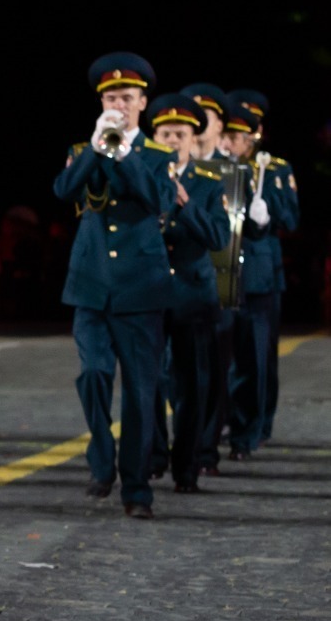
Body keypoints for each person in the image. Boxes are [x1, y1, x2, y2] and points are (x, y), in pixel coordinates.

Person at [52, 52, 174, 519]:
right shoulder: (82, 149)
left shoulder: (158, 155)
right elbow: (64, 190)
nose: (117, 106)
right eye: (109, 98)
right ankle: (102, 458)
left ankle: (136, 489)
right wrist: (95, 149)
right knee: (94, 374)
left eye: (125, 98)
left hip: (140, 288)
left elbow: (159, 200)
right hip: (91, 285)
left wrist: (124, 155)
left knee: (141, 393)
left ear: (142, 103)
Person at [145, 93, 228, 492]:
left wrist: (186, 202)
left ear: (194, 139)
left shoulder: (209, 184)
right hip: (150, 291)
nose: (173, 140)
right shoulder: (143, 178)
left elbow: (218, 237)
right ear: (154, 138)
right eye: (166, 134)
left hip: (193, 296)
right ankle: (153, 457)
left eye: (181, 134)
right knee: (148, 380)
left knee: (191, 384)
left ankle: (187, 466)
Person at [219, 96, 294, 460]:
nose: (231, 143)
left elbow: (291, 219)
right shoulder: (214, 167)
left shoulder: (273, 169)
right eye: (227, 134)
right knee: (222, 354)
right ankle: (225, 420)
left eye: (238, 136)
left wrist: (265, 208)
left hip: (260, 274)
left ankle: (254, 426)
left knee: (258, 357)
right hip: (221, 269)